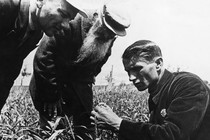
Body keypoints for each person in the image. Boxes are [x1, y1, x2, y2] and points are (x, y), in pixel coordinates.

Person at [29, 3, 130, 139]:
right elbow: (43, 58)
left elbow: (100, 60)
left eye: (112, 34)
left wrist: (88, 80)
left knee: (85, 129)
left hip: (80, 85)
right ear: (96, 17)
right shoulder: (70, 21)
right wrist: (51, 96)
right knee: (52, 129)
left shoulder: (107, 36)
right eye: (106, 29)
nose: (107, 35)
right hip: (50, 83)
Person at [91, 40, 210, 140]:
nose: (131, 77)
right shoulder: (157, 91)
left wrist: (118, 124)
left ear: (158, 64)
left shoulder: (189, 85)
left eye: (137, 68)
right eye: (128, 71)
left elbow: (174, 135)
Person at [0, 0, 87, 111]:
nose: (66, 25)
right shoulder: (6, 6)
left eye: (69, 19)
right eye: (63, 14)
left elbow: (7, 76)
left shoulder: (35, 33)